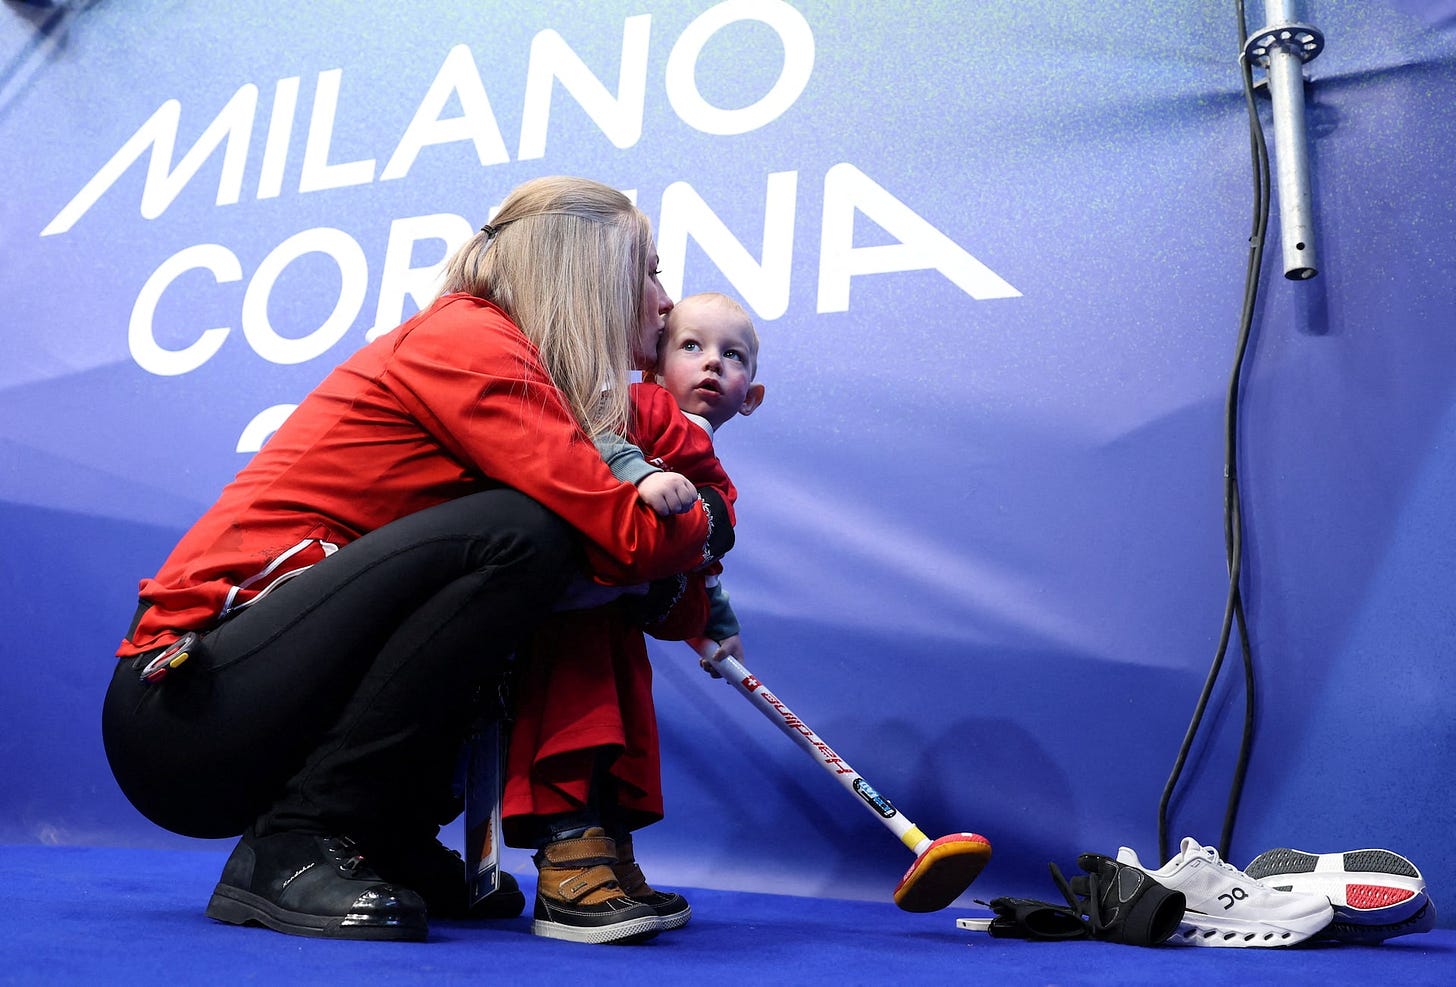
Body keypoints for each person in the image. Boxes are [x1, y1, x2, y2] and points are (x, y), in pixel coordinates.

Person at [100, 176, 734, 945]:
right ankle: (295, 841)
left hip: (241, 703)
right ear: (588, 272)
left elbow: (651, 582)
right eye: (650, 271)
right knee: (523, 534)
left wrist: (687, 543)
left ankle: (382, 834)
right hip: (182, 707)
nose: (666, 301)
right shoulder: (470, 341)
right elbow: (626, 537)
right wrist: (714, 514)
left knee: (530, 568)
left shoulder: (539, 378)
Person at [501, 292, 764, 942]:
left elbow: (700, 561)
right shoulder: (637, 406)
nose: (712, 363)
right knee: (576, 722)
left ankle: (611, 856)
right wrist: (639, 474)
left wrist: (717, 625)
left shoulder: (711, 466)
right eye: (691, 346)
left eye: (733, 355)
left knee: (623, 737)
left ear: (751, 397)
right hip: (571, 615)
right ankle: (568, 864)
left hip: (617, 624)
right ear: (653, 364)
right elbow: (586, 444)